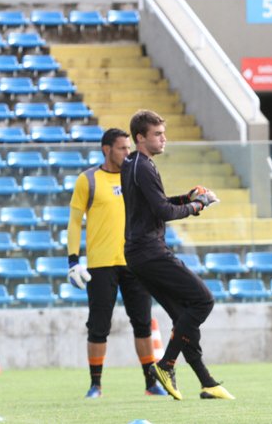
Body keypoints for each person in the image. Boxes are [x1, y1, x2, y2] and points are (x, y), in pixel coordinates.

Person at [120, 109, 234, 400]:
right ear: (140, 137)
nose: (164, 139)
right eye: (157, 134)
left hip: (137, 254)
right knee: (203, 300)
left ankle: (206, 382)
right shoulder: (143, 166)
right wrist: (199, 206)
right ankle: (166, 364)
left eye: (163, 133)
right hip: (150, 251)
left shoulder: (131, 162)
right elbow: (162, 211)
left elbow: (156, 203)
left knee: (184, 316)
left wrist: (187, 198)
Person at [66, 128, 168, 398]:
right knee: (99, 326)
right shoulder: (87, 180)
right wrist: (73, 260)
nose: (127, 152)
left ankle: (150, 384)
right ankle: (95, 385)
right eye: (122, 148)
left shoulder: (136, 176)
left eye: (128, 147)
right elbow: (75, 222)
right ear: (106, 150)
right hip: (100, 265)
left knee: (143, 324)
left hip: (136, 261)